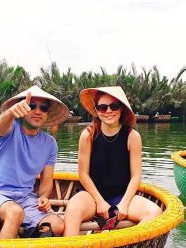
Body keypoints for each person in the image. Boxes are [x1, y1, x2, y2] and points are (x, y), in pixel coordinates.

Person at [63, 86, 162, 237]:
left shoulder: (132, 136)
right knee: (73, 209)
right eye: (103, 107)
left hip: (121, 196)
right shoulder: (88, 135)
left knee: (154, 212)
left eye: (114, 106)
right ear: (97, 111)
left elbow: (136, 176)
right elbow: (83, 174)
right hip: (92, 196)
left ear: (121, 109)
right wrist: (100, 202)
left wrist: (124, 204)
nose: (109, 111)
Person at [0, 85, 68, 239]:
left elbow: (46, 180)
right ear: (22, 110)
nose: (37, 111)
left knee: (56, 225)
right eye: (31, 106)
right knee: (15, 212)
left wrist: (43, 197)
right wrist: (10, 113)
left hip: (25, 199)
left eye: (43, 108)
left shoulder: (50, 144)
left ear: (47, 114)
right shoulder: (10, 129)